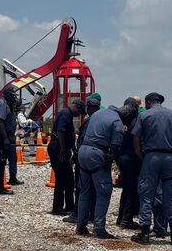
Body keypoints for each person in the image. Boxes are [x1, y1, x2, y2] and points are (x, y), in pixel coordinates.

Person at [130, 93, 172, 246]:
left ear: (148, 102)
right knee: (170, 195)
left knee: (146, 193)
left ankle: (145, 233)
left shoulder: (145, 115)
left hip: (151, 157)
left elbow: (135, 137)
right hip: (168, 158)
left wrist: (140, 156)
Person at [76, 105, 135, 238]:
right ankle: (99, 228)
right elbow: (115, 148)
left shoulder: (98, 113)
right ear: (126, 116)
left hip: (83, 152)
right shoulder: (117, 122)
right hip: (96, 154)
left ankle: (80, 226)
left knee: (85, 191)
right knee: (103, 192)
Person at [63, 98, 100, 224]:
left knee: (81, 187)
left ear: (88, 109)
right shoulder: (98, 121)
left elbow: (83, 140)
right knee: (94, 187)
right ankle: (92, 214)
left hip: (84, 157)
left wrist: (75, 156)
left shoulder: (89, 121)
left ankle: (77, 214)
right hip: (96, 157)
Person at [49, 99, 85, 215]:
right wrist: (64, 149)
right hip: (58, 148)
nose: (78, 115)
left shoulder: (67, 114)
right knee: (61, 178)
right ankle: (57, 207)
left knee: (69, 179)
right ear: (77, 107)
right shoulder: (66, 114)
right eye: (79, 112)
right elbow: (60, 131)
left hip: (61, 148)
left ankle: (69, 205)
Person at [116, 97, 141, 230]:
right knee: (132, 189)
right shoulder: (136, 121)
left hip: (122, 158)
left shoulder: (124, 122)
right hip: (132, 158)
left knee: (126, 189)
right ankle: (127, 219)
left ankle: (121, 217)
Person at [0, 86, 21, 193]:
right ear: (7, 95)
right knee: (1, 161)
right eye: (12, 96)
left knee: (0, 161)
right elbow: (0, 121)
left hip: (1, 136)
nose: (14, 98)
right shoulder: (3, 104)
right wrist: (5, 139)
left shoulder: (4, 103)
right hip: (1, 137)